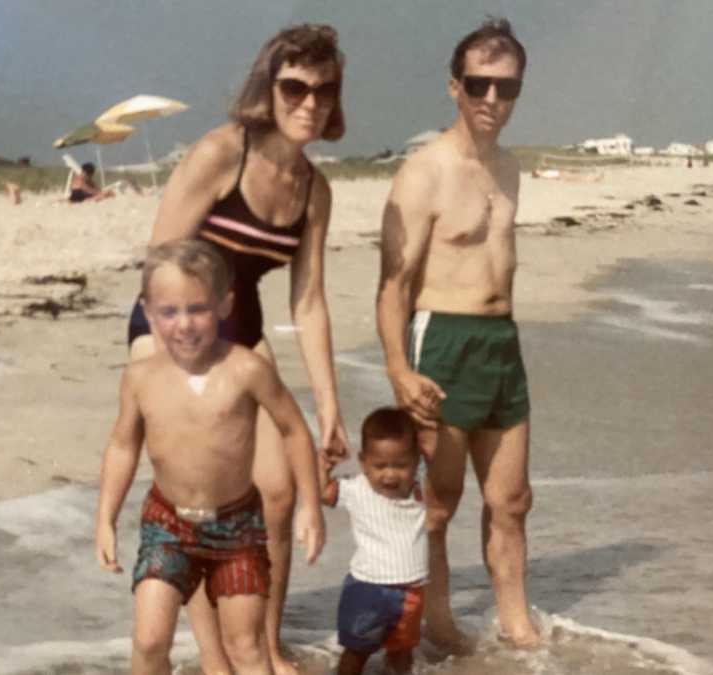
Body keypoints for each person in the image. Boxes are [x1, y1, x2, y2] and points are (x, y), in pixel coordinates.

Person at [125, 23, 350, 674]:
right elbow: (161, 260)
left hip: (240, 322)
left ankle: (266, 643)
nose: (310, 102)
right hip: (171, 319)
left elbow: (307, 301)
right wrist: (179, 370)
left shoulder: (315, 191)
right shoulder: (224, 151)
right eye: (295, 87)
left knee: (277, 491)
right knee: (202, 486)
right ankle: (215, 654)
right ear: (269, 87)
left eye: (324, 90)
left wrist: (329, 406)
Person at [375, 17, 540, 651]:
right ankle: (437, 624)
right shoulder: (424, 172)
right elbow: (393, 284)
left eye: (507, 88)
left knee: (513, 499)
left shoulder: (511, 170)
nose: (493, 101)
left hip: (502, 343)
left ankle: (516, 625)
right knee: (437, 504)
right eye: (480, 85)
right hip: (440, 340)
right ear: (454, 87)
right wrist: (399, 368)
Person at [95, 239, 325, 675]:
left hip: (237, 529)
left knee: (246, 650)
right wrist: (104, 518)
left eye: (197, 309)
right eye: (169, 312)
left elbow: (294, 429)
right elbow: (123, 444)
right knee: (148, 641)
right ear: (147, 311)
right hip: (167, 524)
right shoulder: (140, 377)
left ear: (224, 305)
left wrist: (310, 507)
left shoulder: (245, 370)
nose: (184, 325)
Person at [318, 407, 426, 675]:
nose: (389, 475)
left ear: (416, 461)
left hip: (411, 591)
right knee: (355, 654)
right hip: (368, 590)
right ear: (364, 462)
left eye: (400, 465)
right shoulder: (357, 488)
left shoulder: (420, 491)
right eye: (379, 466)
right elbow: (321, 492)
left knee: (402, 654)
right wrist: (325, 465)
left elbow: (440, 464)